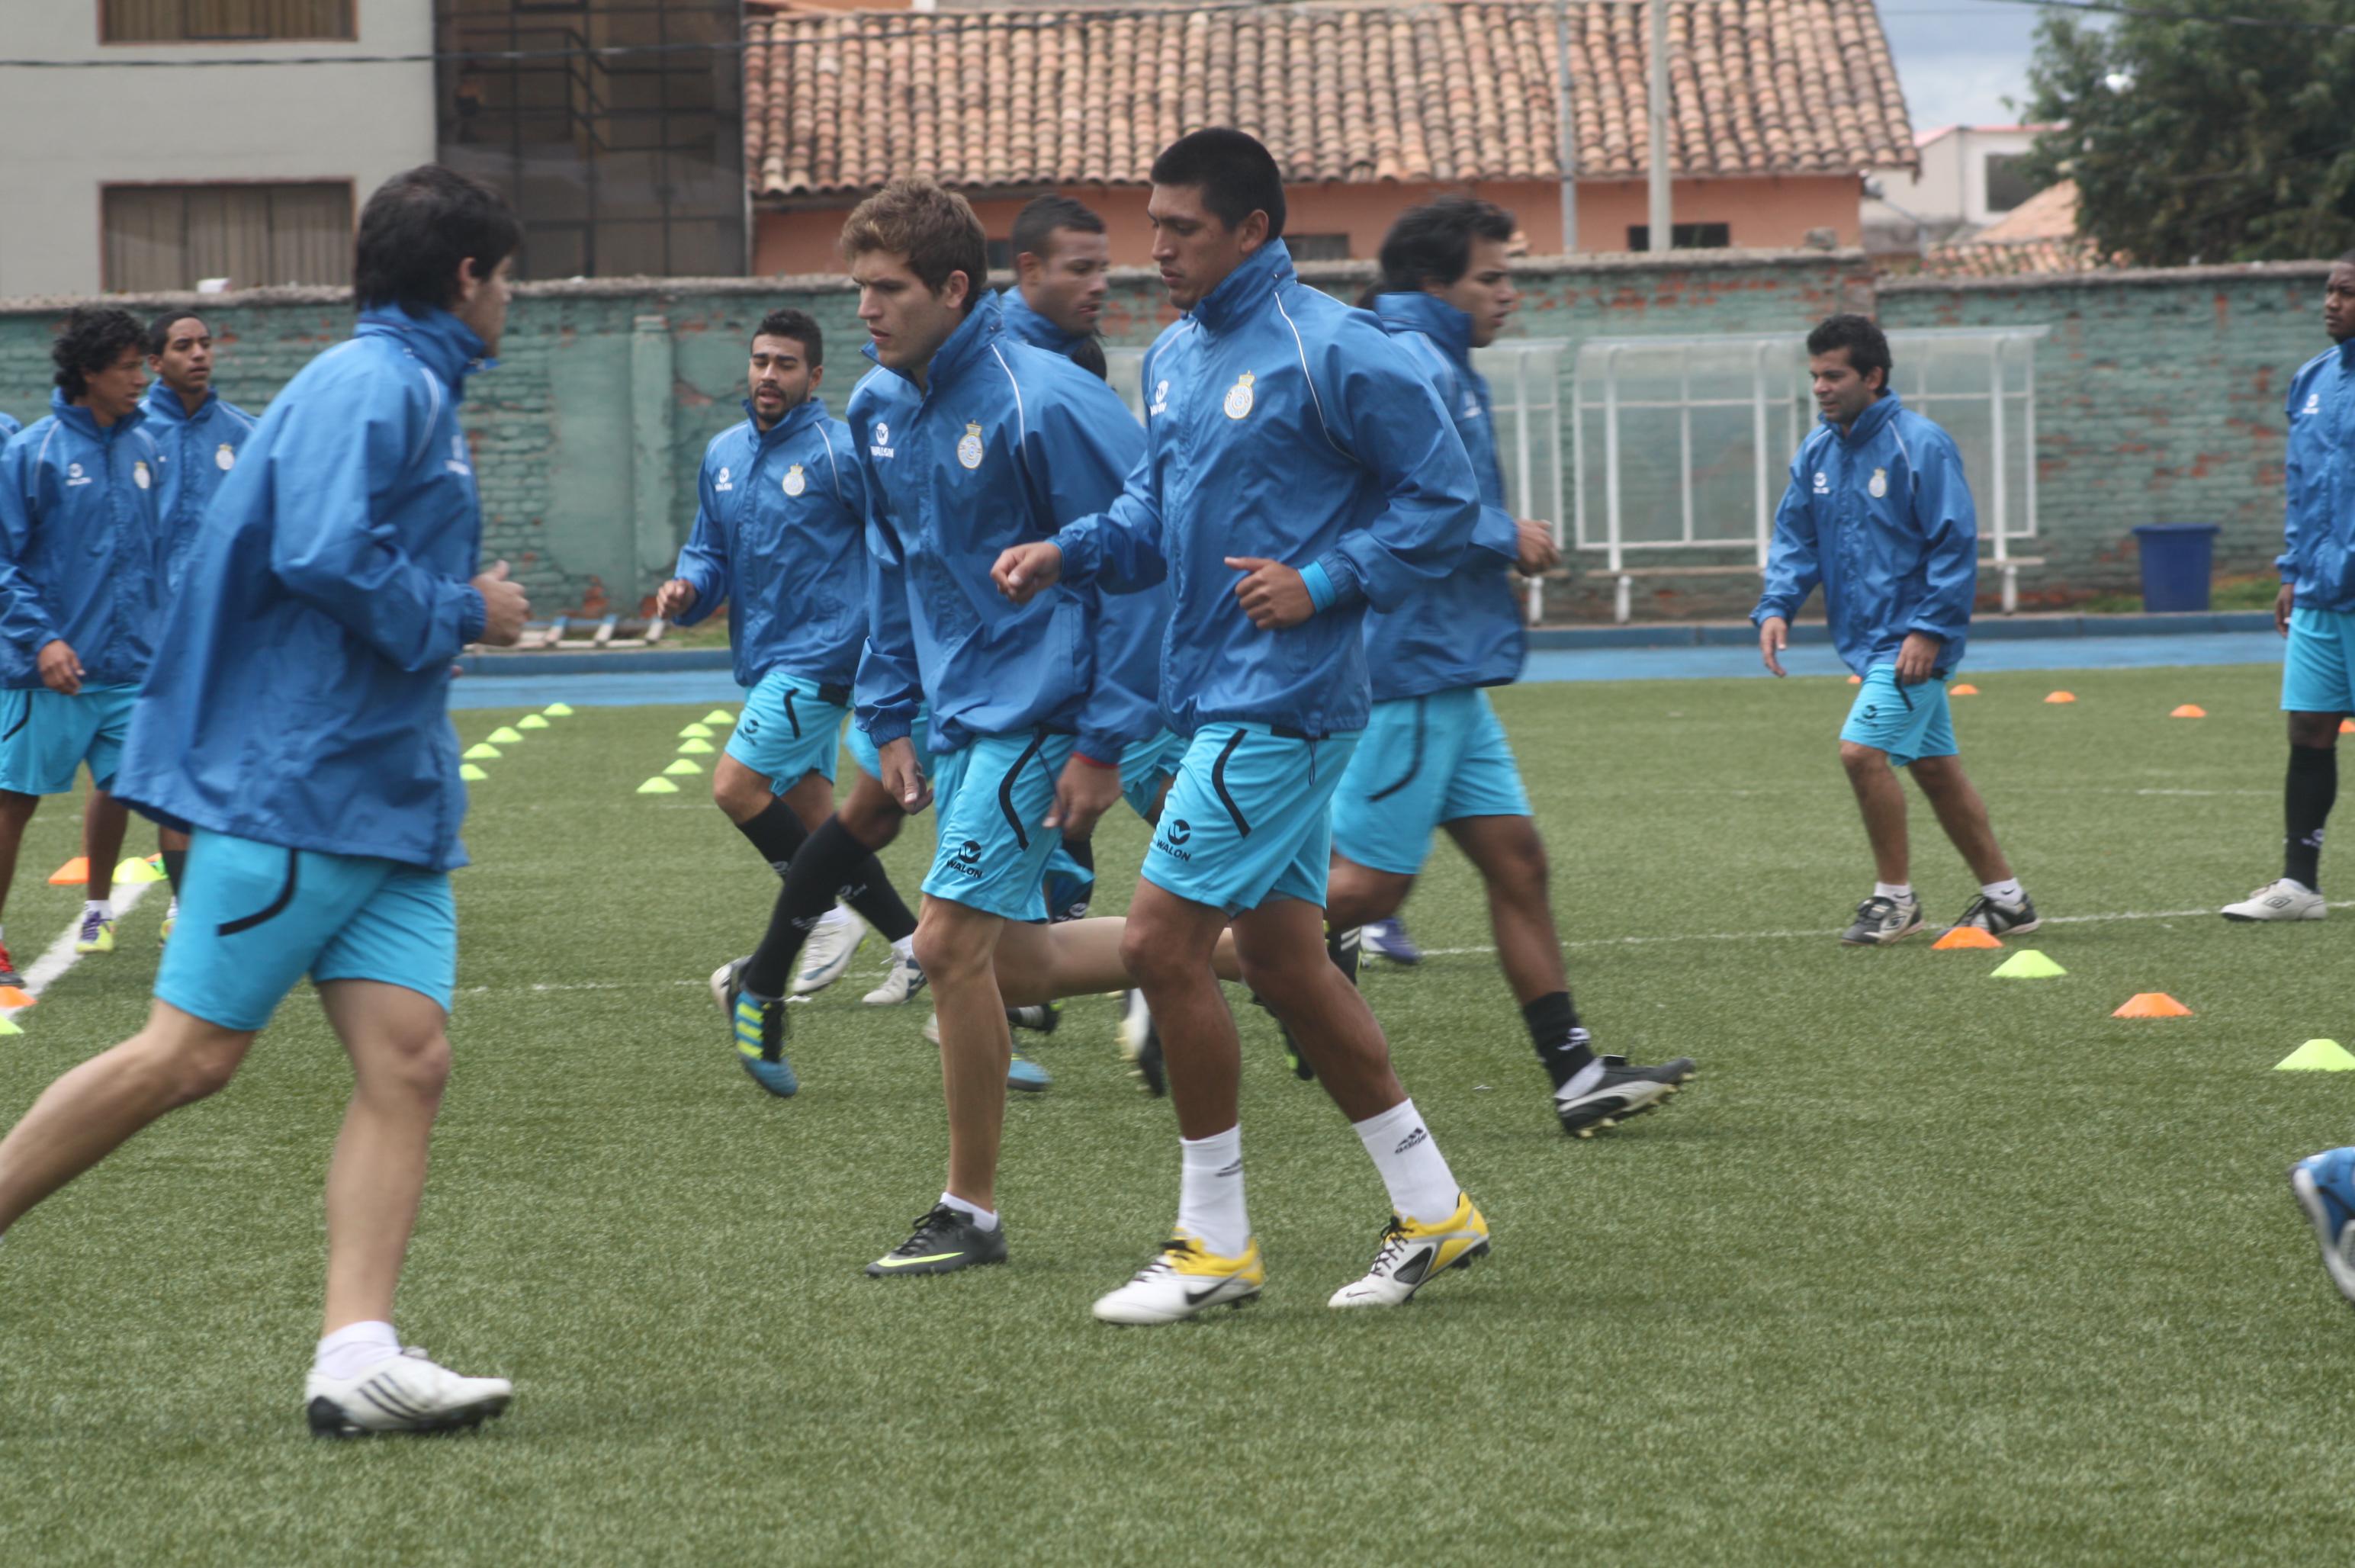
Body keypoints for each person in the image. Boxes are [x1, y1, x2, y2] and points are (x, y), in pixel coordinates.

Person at [0, 166, 531, 1437]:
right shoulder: (380, 383)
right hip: (303, 786)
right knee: (189, 1056)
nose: (513, 300)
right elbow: (326, 553)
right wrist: (470, 611)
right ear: (465, 277)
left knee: (408, 1063)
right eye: (508, 277)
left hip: (382, 799)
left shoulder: (403, 383)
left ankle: (355, 1354)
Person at [996, 128, 1494, 1325]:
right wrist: (1072, 549)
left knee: (1165, 948)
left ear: (1253, 233)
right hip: (1207, 697)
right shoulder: (1171, 357)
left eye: (1182, 229)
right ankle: (1435, 1208)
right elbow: (1153, 512)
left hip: (1282, 706)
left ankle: (1215, 1244)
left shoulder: (1337, 351)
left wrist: (1323, 583)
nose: (1153, 248)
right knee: (1280, 960)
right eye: (1151, 225)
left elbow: (1448, 503)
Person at [834, 179, 1161, 1277]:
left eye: (887, 290)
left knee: (945, 947)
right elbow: (893, 570)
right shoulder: (875, 408)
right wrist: (887, 712)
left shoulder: (1048, 402)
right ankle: (1259, 952)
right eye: (859, 289)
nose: (866, 312)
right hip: (959, 714)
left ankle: (968, 1211)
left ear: (954, 289)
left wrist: (1105, 738)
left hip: (1046, 709)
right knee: (1015, 964)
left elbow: (1145, 561)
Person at [1329, 197, 1695, 1136]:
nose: (1508, 295)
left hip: (1451, 664)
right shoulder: (1406, 359)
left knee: (1519, 863)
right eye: (1490, 278)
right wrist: (1504, 533)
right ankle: (1161, 962)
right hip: (1412, 664)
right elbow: (1389, 507)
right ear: (1433, 285)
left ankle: (1575, 1076)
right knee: (1365, 893)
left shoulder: (1436, 359)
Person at [653, 310, 922, 1095]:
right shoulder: (724, 455)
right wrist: (686, 588)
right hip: (766, 658)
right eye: (761, 361)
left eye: (786, 364)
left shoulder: (840, 454)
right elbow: (709, 551)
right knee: (818, 817)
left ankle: (821, 914)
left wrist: (884, 641)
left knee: (735, 787)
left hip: (823, 660)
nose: (769, 375)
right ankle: (909, 943)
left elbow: (890, 542)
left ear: (814, 378)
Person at [1753, 313, 2035, 945]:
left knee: (1861, 753)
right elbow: (1797, 538)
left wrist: (1929, 629)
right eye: (1815, 376)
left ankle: (1895, 900)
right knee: (1935, 768)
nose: (1821, 388)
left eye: (1835, 375)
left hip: (1911, 644)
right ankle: (2007, 900)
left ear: (1873, 377)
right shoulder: (1817, 451)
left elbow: (1954, 542)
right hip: (1871, 641)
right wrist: (1777, 606)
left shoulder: (1921, 444)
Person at [0, 307, 169, 982]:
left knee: (169, 798)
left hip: (132, 670)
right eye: (130, 366)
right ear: (90, 371)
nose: (141, 377)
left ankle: (193, 932)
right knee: (14, 807)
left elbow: (157, 558)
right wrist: (43, 641)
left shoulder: (147, 446)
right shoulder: (32, 453)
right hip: (49, 678)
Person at [2222, 252, 2355, 923]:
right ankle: (2298, 885)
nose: (2332, 302)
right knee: (2308, 729)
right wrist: (2293, 571)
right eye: (2330, 290)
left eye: (2347, 293)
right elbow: (2304, 489)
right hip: (2320, 595)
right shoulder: (2312, 379)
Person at [135, 310, 254, 939]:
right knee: (169, 771)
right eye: (184, 346)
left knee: (230, 766)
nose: (200, 355)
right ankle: (182, 903)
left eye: (206, 344)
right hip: (150, 640)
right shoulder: (129, 436)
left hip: (229, 636)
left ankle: (234, 893)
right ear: (156, 362)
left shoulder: (247, 435)